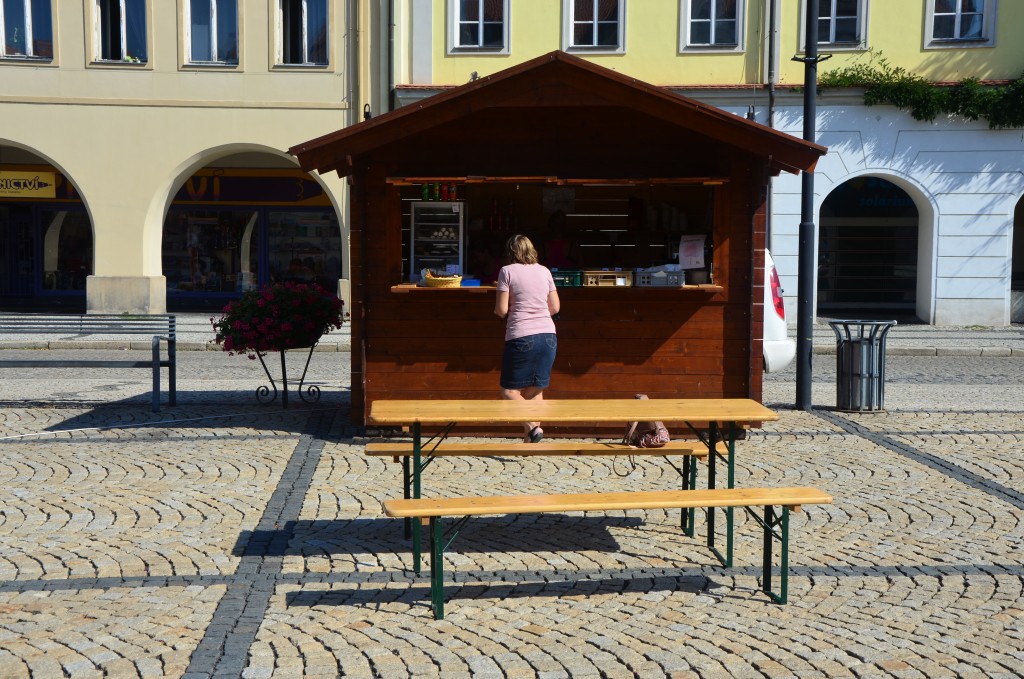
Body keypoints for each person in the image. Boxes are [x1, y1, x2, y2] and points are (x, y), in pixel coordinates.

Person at [494, 234, 561, 443]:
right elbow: (555, 307)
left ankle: (533, 428)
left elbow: (502, 310)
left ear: (510, 252)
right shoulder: (544, 271)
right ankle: (530, 444)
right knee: (534, 392)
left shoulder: (507, 271)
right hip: (549, 336)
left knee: (508, 391)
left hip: (522, 336)